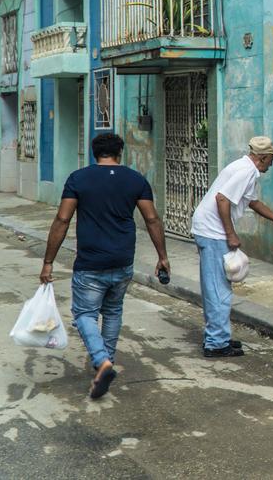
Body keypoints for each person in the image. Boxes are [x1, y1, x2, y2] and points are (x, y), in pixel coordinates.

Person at [39, 132, 170, 400]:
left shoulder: (78, 179)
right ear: (120, 153)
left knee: (84, 314)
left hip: (90, 262)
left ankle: (102, 361)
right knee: (112, 311)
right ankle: (106, 362)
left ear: (94, 153)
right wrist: (162, 256)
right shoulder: (136, 180)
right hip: (123, 260)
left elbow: (62, 220)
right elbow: (152, 219)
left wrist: (48, 261)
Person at [191, 135, 273, 357]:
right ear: (263, 157)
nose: (272, 163)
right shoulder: (246, 171)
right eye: (272, 159)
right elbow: (222, 199)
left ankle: (218, 337)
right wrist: (230, 234)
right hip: (213, 232)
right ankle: (216, 343)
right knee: (218, 289)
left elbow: (253, 202)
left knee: (216, 287)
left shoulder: (245, 168)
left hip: (208, 229)